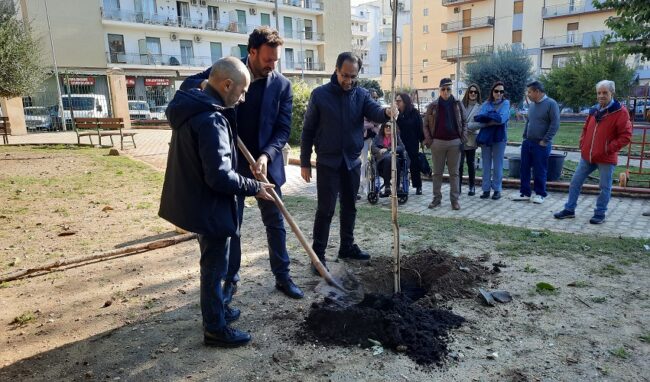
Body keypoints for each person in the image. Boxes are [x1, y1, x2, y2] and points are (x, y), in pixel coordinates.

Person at [159, 57, 275, 347]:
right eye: (243, 90)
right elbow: (220, 177)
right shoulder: (211, 120)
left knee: (214, 264)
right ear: (226, 85)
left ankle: (218, 310)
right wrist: (255, 186)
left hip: (199, 201)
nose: (245, 97)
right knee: (213, 267)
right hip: (209, 204)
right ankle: (215, 327)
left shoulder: (192, 105)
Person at [181, 27, 303, 301]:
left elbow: (282, 129)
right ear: (252, 52)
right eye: (268, 59)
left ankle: (282, 276)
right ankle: (230, 280)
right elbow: (187, 86)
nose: (273, 65)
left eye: (276, 60)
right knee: (230, 226)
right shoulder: (228, 72)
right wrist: (205, 87)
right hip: (231, 165)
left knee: (275, 222)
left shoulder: (282, 86)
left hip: (264, 166)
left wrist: (266, 155)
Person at [300, 52, 393, 273]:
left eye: (353, 76)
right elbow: (308, 129)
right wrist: (304, 162)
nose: (348, 81)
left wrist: (388, 112)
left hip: (352, 161)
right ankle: (318, 256)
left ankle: (347, 246)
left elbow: (376, 112)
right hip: (328, 162)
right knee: (326, 209)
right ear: (336, 70)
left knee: (350, 206)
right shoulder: (319, 95)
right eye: (345, 75)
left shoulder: (360, 95)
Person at [554, 80, 632, 224]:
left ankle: (600, 213)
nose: (601, 96)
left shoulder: (620, 111)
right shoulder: (594, 110)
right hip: (587, 156)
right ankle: (569, 209)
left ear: (611, 93)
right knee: (575, 182)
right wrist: (583, 144)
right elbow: (585, 128)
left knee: (604, 187)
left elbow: (626, 136)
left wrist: (608, 149)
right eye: (599, 93)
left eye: (605, 93)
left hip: (606, 158)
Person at [511, 81, 560, 204]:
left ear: (537, 91)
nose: (528, 95)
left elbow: (555, 124)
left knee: (540, 169)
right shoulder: (532, 105)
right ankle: (525, 193)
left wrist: (545, 140)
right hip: (528, 142)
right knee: (524, 168)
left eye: (529, 92)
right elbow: (529, 121)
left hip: (541, 144)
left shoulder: (551, 104)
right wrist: (524, 137)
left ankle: (540, 194)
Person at [423, 78, 467, 210]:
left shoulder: (458, 104)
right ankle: (436, 198)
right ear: (439, 90)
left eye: (448, 89)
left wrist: (462, 139)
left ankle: (455, 200)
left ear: (452, 89)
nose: (446, 92)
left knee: (454, 173)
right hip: (438, 143)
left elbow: (465, 122)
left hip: (455, 142)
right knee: (437, 173)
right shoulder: (433, 106)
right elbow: (425, 125)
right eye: (443, 89)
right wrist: (430, 141)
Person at [475, 81, 510, 200]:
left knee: (498, 165)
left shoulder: (506, 103)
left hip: (500, 138)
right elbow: (480, 119)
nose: (499, 93)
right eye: (496, 91)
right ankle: (485, 190)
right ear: (492, 92)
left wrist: (489, 118)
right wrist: (494, 117)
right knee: (485, 164)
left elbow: (502, 119)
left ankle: (497, 190)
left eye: (501, 91)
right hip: (486, 138)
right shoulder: (486, 103)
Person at [396, 92, 424, 195]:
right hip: (399, 142)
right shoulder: (396, 113)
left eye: (399, 101)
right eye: (396, 101)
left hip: (412, 142)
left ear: (405, 101)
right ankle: (399, 185)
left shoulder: (414, 112)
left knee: (414, 164)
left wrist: (422, 140)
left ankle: (418, 186)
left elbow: (420, 127)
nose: (397, 102)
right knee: (399, 163)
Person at [372, 122, 406, 197]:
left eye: (390, 126)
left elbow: (402, 147)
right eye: (386, 126)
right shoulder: (378, 137)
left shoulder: (396, 136)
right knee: (388, 158)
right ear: (383, 128)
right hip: (381, 165)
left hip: (395, 162)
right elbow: (373, 148)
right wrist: (379, 150)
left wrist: (390, 149)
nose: (388, 128)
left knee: (393, 158)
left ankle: (395, 187)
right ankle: (389, 187)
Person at [459, 83, 482, 196]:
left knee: (470, 163)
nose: (473, 93)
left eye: (475, 92)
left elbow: (479, 123)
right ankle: (457, 186)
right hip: (460, 138)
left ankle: (472, 187)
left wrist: (466, 127)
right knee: (459, 164)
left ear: (478, 94)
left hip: (472, 138)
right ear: (468, 92)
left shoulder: (480, 107)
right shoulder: (461, 105)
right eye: (471, 91)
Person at [359, 90, 381, 198]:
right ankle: (362, 185)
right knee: (363, 162)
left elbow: (379, 122)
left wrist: (372, 124)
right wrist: (372, 125)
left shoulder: (377, 108)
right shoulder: (363, 107)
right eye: (373, 97)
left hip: (374, 139)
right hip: (363, 139)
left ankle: (373, 185)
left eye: (376, 97)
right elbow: (362, 123)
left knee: (373, 162)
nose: (375, 99)